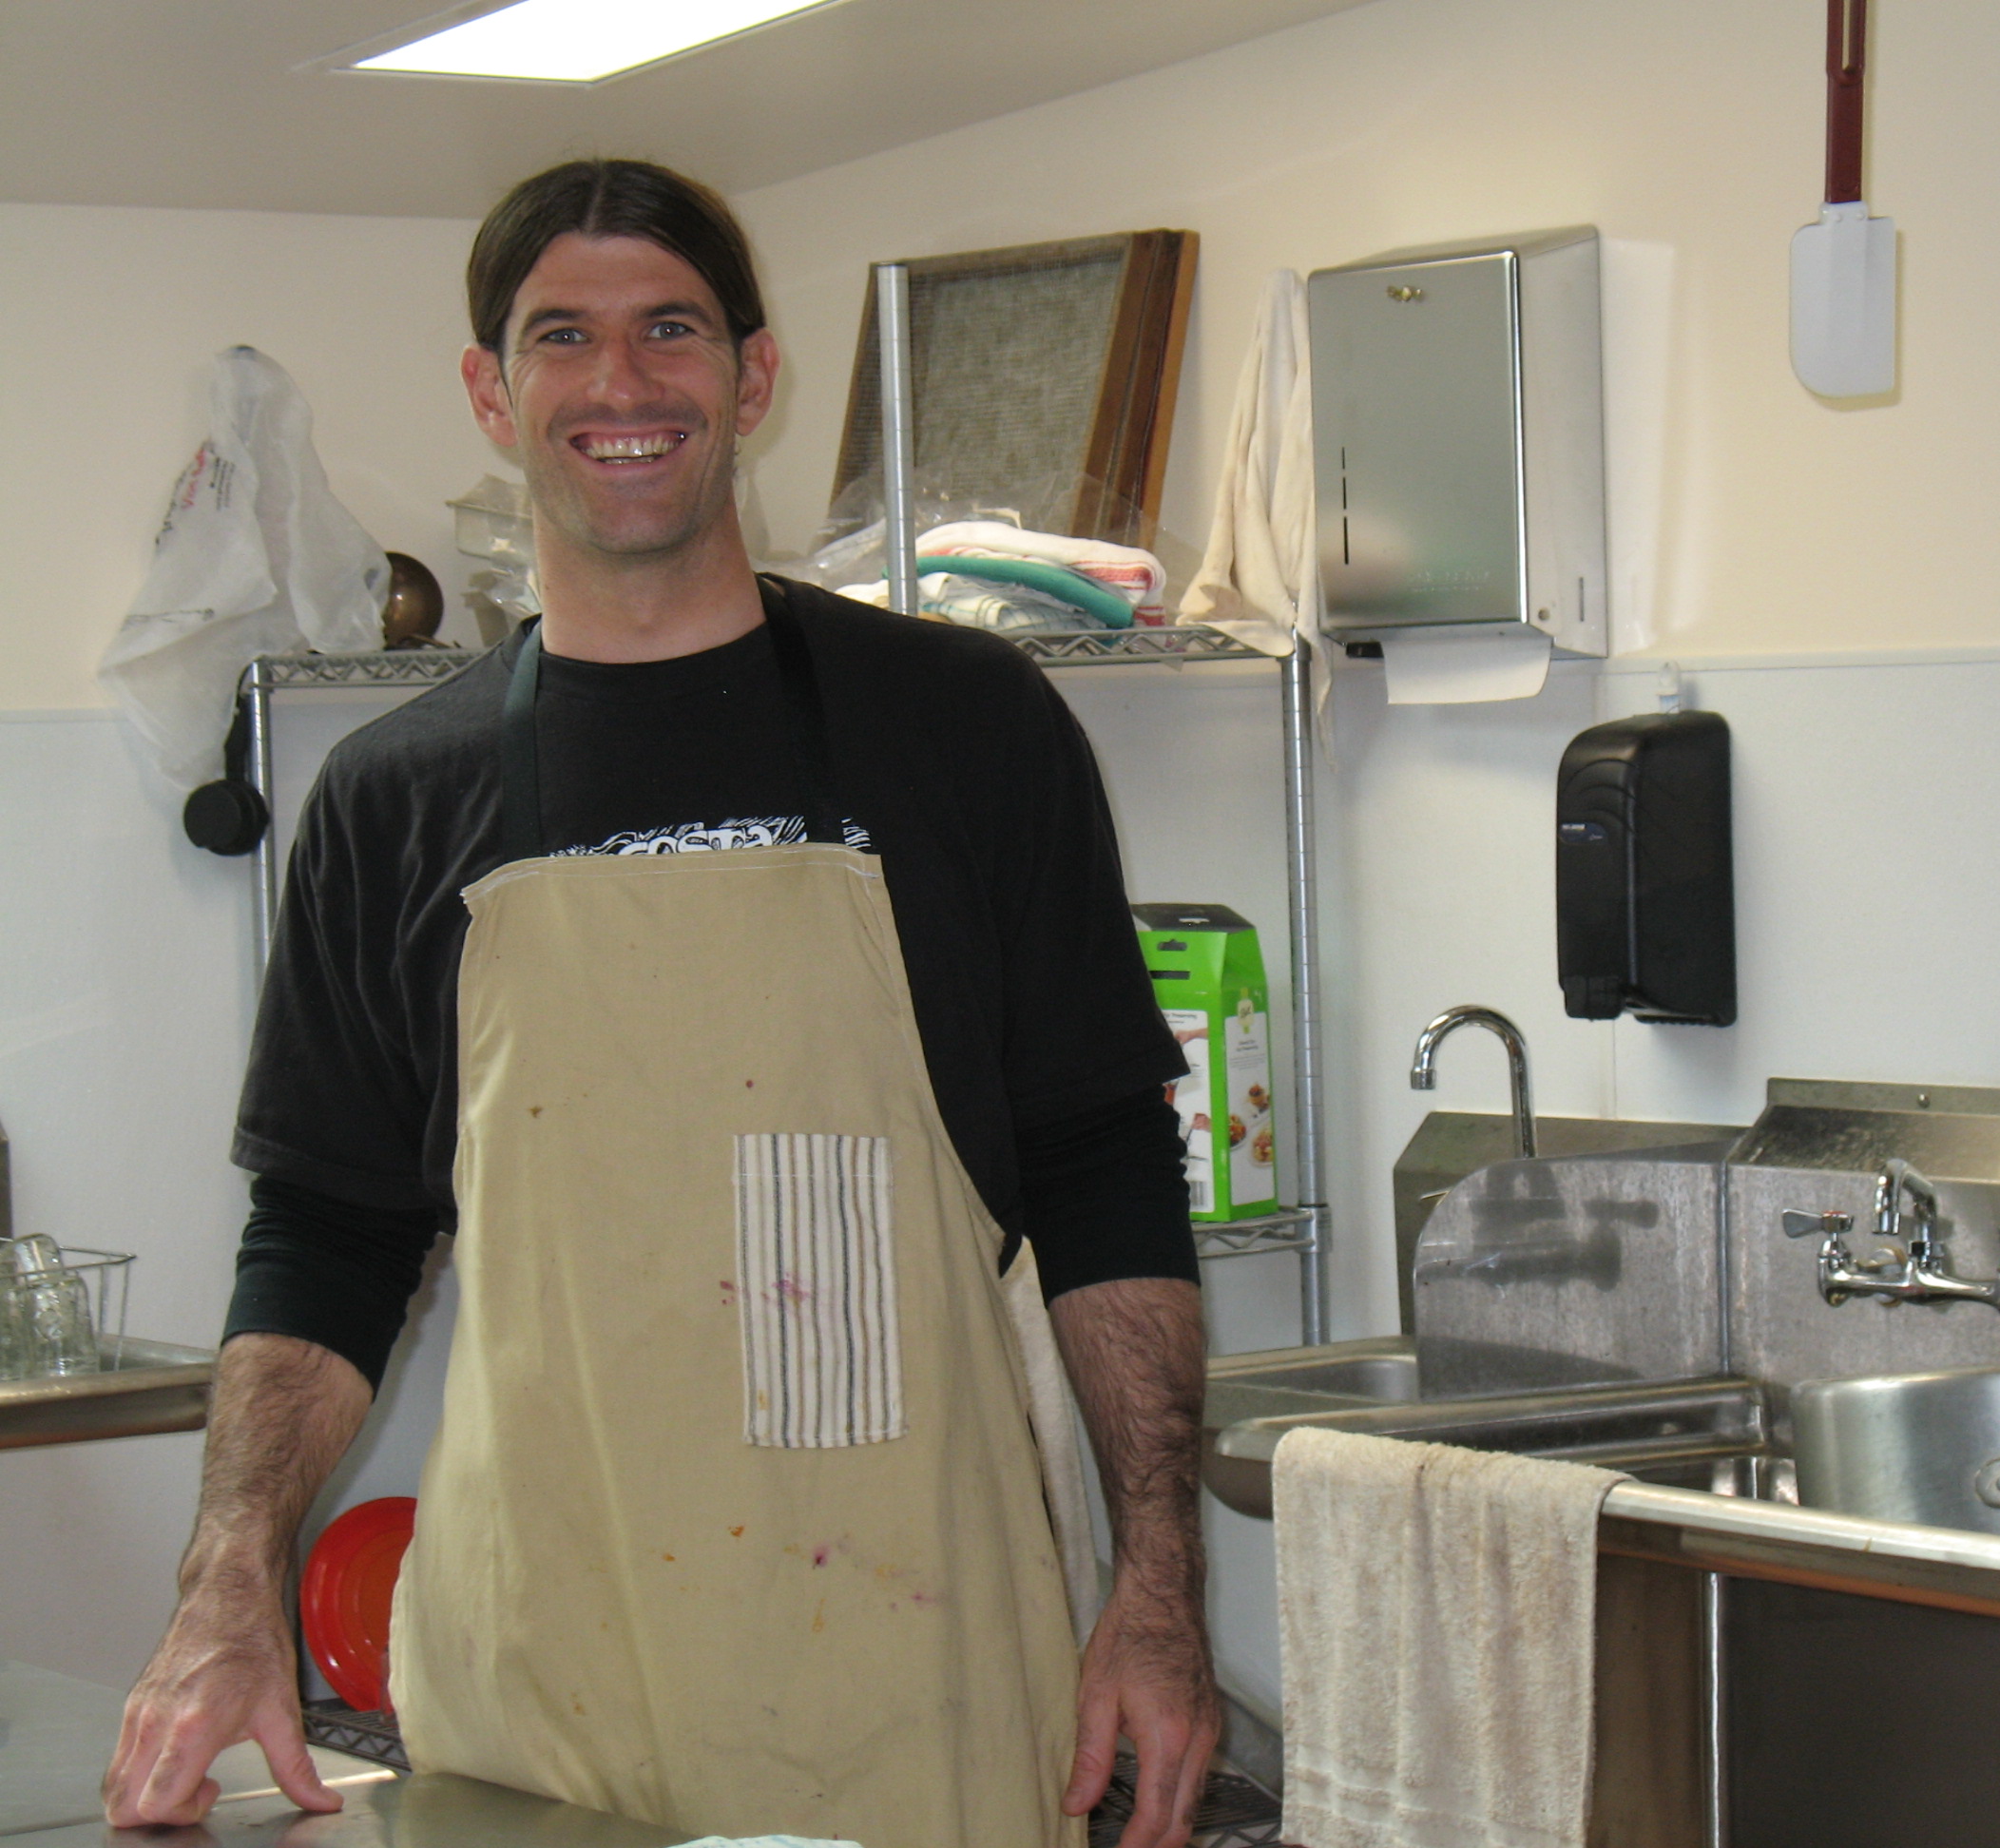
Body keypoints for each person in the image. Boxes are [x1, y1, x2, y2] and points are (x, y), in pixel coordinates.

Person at [105, 159, 1218, 1848]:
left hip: (909, 1681)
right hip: (537, 1696)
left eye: (670, 330)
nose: (620, 383)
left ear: (752, 376)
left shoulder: (966, 726)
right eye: (562, 336)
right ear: (492, 393)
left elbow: (1103, 1171)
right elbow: (325, 1235)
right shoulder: (395, 798)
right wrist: (226, 1587)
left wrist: (1158, 1590)